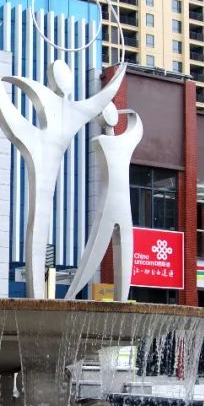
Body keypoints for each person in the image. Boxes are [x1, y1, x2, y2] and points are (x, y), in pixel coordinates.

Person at [0, 29, 126, 298]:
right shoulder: (69, 105)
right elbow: (107, 93)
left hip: (41, 160)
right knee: (38, 220)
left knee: (38, 220)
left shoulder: (68, 105)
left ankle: (38, 297)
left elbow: (106, 94)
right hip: (39, 156)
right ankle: (38, 296)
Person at [64, 103, 142, 302]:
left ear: (101, 119)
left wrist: (120, 112)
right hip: (122, 206)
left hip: (111, 205)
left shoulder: (102, 141)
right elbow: (137, 124)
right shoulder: (127, 140)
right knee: (103, 253)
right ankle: (117, 302)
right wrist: (127, 112)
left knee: (93, 255)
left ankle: (69, 297)